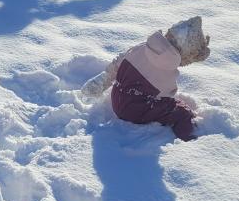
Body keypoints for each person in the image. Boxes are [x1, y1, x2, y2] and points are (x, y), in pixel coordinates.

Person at [80, 17, 211, 141]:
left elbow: (118, 63)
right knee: (180, 112)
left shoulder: (142, 47)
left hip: (117, 98)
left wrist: (102, 80)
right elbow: (168, 94)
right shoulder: (168, 67)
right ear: (185, 53)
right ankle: (189, 138)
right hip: (133, 110)